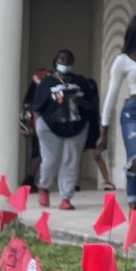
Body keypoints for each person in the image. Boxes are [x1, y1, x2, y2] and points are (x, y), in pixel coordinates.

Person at [26, 50, 90, 210]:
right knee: (50, 160)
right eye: (62, 59)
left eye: (69, 60)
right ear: (55, 61)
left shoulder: (80, 81)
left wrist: (82, 102)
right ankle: (44, 187)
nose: (65, 62)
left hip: (76, 127)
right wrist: (38, 124)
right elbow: (37, 107)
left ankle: (66, 197)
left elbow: (91, 104)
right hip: (50, 127)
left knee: (71, 162)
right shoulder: (47, 83)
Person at [102, 17, 136, 208]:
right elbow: (111, 96)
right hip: (133, 112)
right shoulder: (122, 60)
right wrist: (104, 130)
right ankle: (134, 209)